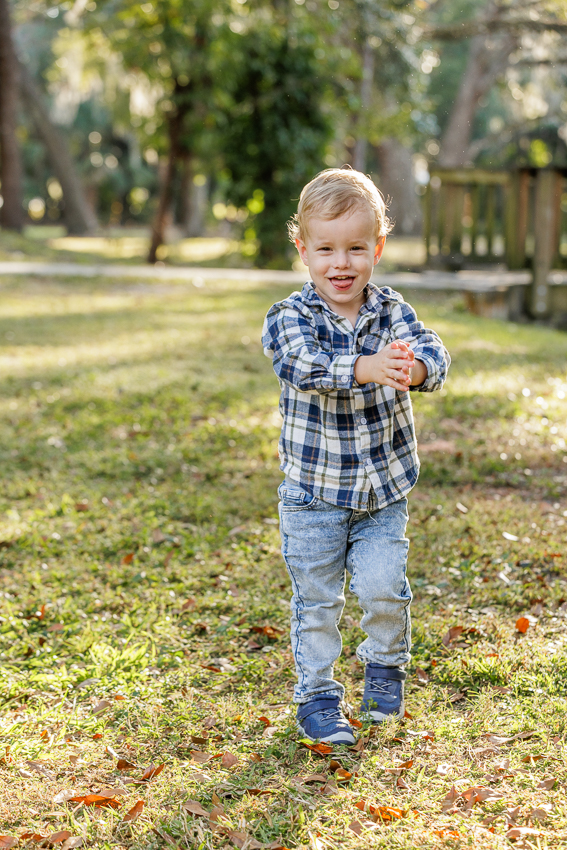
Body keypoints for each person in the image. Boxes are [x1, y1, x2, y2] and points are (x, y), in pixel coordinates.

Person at [262, 167, 450, 745]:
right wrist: (363, 368)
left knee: (384, 587)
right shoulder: (290, 316)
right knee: (316, 602)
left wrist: (418, 369)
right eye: (325, 249)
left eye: (355, 248)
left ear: (378, 248)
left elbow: (434, 351)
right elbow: (299, 366)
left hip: (381, 493)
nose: (340, 263)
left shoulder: (392, 311)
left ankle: (385, 666)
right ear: (303, 249)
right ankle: (318, 698)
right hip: (313, 495)